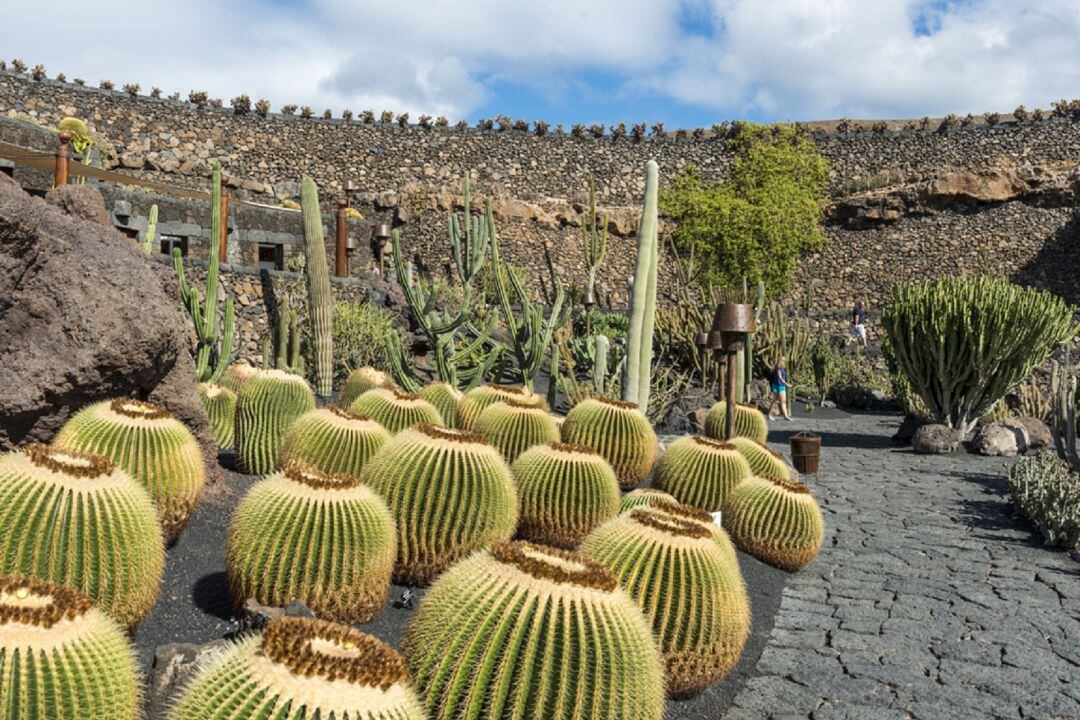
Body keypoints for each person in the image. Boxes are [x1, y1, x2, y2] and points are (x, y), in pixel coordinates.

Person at [769, 355, 792, 421]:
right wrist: (787, 384)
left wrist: (785, 385)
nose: (783, 361)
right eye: (782, 360)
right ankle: (769, 415)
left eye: (784, 360)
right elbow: (780, 377)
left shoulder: (782, 368)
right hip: (777, 385)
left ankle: (786, 416)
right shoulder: (778, 367)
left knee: (783, 401)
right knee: (775, 401)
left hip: (782, 386)